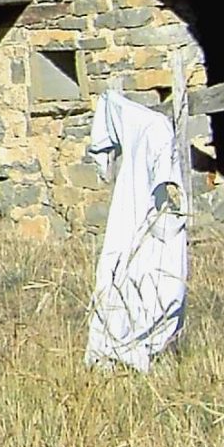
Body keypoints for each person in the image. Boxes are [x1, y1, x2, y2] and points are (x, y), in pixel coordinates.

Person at [84, 86, 188, 370]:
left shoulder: (155, 130)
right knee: (128, 279)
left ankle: (147, 348)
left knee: (162, 283)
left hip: (152, 222)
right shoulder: (150, 128)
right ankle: (130, 349)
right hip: (137, 221)